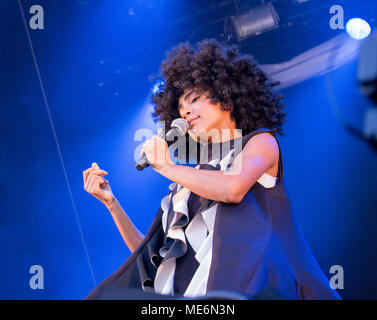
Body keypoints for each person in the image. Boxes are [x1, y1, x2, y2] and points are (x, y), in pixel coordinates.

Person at [83, 39, 341, 300]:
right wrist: (112, 204)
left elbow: (232, 188)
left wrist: (164, 165)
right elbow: (153, 260)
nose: (187, 113)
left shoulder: (260, 142)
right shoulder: (184, 188)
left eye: (195, 99)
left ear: (226, 99)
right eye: (181, 111)